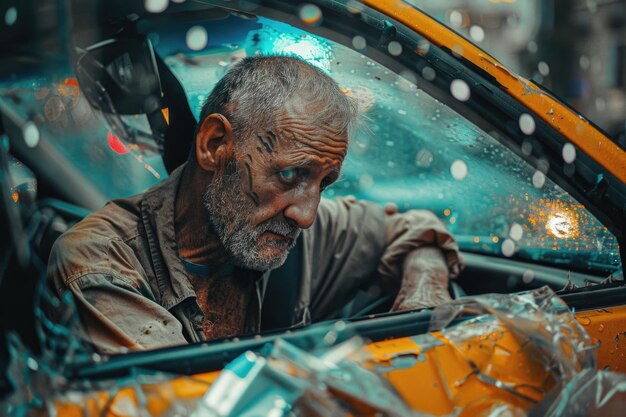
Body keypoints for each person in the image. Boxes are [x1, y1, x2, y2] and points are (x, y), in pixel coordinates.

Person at [47, 56, 463, 354]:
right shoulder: (100, 264)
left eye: (324, 183)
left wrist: (421, 296)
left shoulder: (286, 227)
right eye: (288, 175)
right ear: (214, 145)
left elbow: (412, 227)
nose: (306, 215)